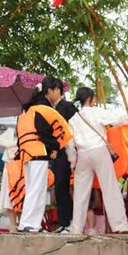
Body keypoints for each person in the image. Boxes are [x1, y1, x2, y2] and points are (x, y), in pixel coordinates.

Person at [66, 87, 128, 234]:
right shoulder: (96, 112)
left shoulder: (73, 119)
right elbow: (117, 119)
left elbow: (69, 144)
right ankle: (119, 225)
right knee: (110, 188)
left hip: (82, 155)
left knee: (80, 193)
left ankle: (76, 228)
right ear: (90, 99)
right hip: (99, 151)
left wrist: (73, 162)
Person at [15, 77, 72, 233]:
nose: (59, 95)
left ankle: (28, 223)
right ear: (50, 91)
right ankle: (30, 224)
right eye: (58, 91)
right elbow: (45, 132)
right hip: (38, 153)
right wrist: (54, 147)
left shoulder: (28, 111)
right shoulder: (43, 110)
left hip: (26, 154)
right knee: (37, 190)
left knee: (33, 189)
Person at [53, 86, 77, 233]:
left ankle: (71, 222)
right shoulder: (51, 108)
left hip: (70, 151)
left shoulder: (68, 107)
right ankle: (64, 222)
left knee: (67, 186)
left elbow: (76, 128)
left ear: (57, 91)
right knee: (59, 187)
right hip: (57, 152)